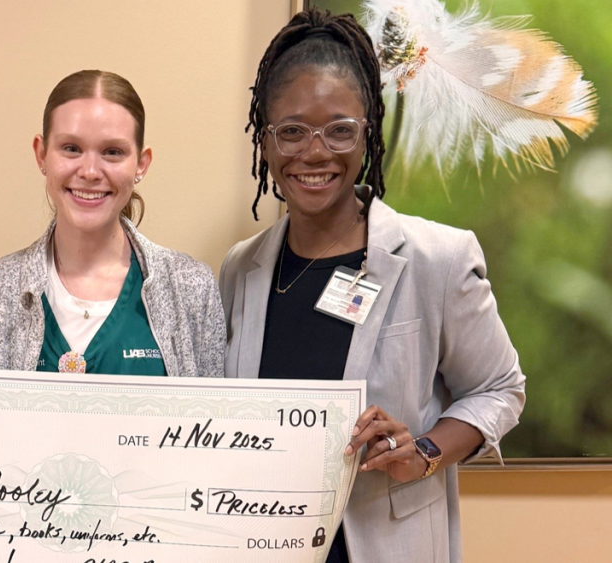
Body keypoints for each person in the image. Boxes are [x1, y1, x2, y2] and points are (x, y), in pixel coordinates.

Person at [219, 8, 526, 563]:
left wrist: (425, 450)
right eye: (291, 131)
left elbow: (501, 389)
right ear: (264, 140)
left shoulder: (439, 258)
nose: (314, 153)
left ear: (368, 133)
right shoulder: (241, 269)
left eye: (339, 130)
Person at [0, 70, 225, 377]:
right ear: (41, 154)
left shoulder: (191, 289)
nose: (89, 171)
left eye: (112, 152)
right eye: (71, 149)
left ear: (141, 164)